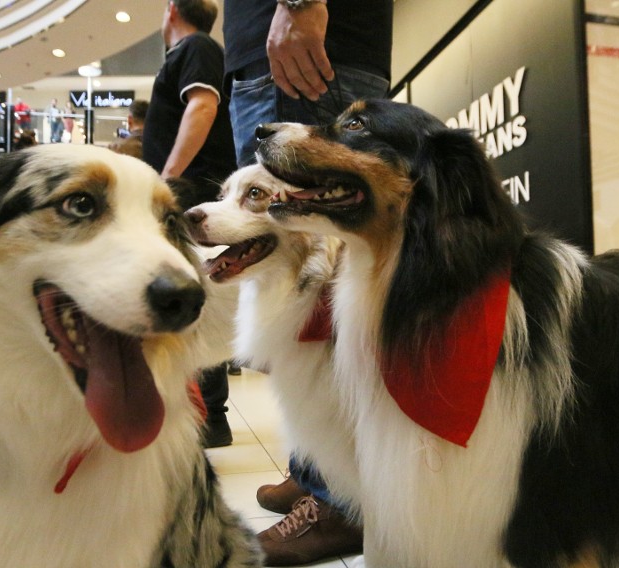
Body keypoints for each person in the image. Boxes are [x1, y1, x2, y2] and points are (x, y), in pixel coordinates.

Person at [223, 0, 393, 564]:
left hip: (305, 43)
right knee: (305, 289)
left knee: (322, 277)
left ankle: (341, 499)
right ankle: (316, 468)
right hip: (291, 49)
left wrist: (299, 4)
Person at [142, 0, 236, 448]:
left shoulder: (195, 46)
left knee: (198, 296)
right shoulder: (193, 51)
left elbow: (202, 106)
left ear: (172, 9)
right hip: (188, 190)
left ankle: (208, 414)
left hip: (190, 190)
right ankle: (203, 413)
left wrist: (167, 179)